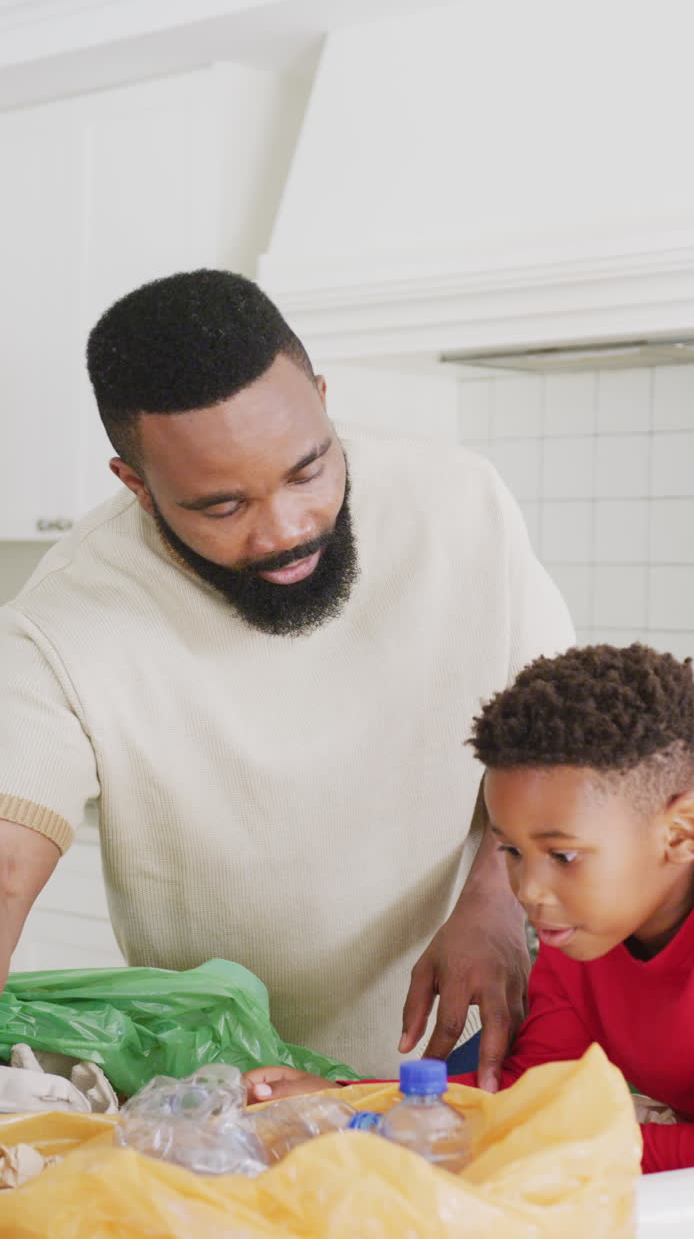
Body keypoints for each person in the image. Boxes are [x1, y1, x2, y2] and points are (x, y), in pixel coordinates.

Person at [0, 269, 573, 1080]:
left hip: (468, 1041)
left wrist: (497, 900)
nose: (289, 529)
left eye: (308, 471)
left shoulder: (460, 503)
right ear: (137, 486)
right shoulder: (64, 619)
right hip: (230, 1084)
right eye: (223, 506)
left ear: (324, 401)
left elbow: (556, 744)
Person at [246, 644, 694, 1173]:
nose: (530, 891)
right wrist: (341, 1102)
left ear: (683, 833)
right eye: (512, 851)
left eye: (563, 855)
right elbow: (524, 1091)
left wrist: (480, 1140)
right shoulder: (579, 931)